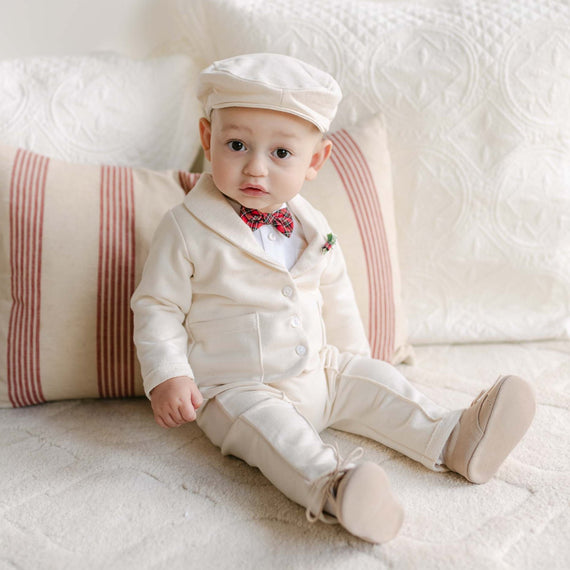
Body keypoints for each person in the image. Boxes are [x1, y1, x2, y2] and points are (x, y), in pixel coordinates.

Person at [130, 53, 536, 544]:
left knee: (378, 383)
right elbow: (158, 307)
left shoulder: (311, 223)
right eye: (236, 145)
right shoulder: (185, 227)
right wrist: (167, 375)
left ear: (315, 161)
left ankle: (454, 438)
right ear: (205, 139)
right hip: (237, 387)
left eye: (281, 154)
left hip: (321, 370)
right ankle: (336, 489)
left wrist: (355, 358)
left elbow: (336, 294)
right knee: (276, 438)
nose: (255, 168)